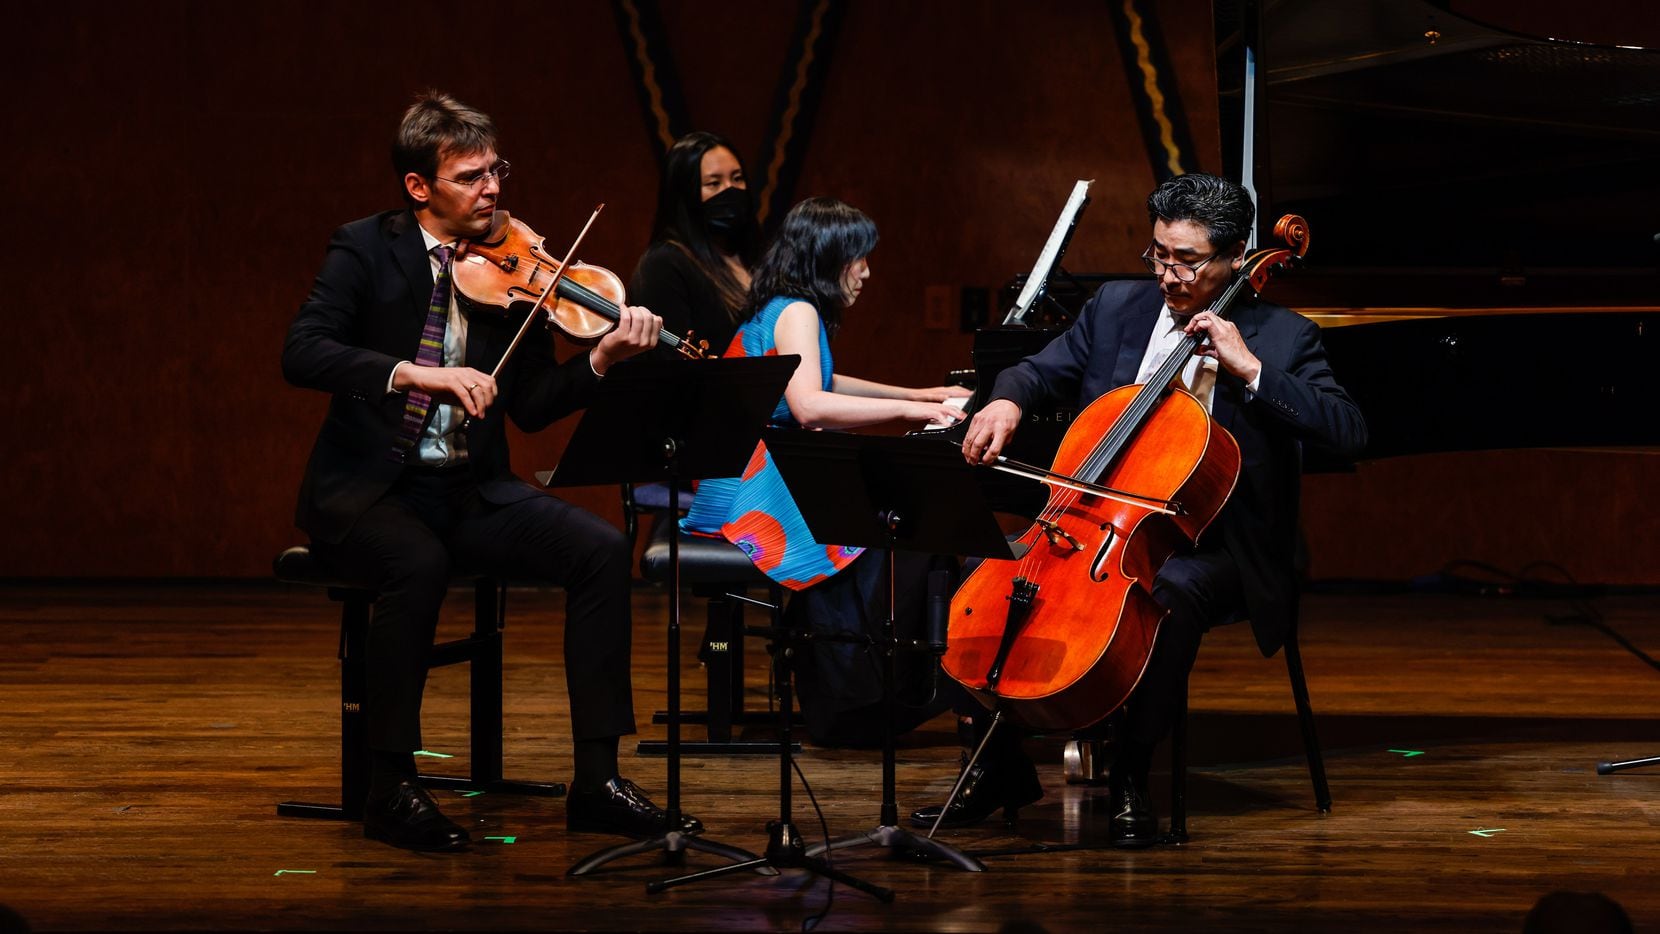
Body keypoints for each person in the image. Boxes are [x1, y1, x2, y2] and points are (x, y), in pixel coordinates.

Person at [282, 91, 698, 852]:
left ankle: (598, 780)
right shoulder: (363, 248)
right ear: (419, 188)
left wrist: (601, 361)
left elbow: (533, 404)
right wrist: (415, 373)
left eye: (495, 170)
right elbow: (302, 351)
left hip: (471, 488)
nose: (493, 189)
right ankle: (391, 787)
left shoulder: (518, 266)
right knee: (418, 561)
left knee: (600, 550)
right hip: (376, 492)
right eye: (471, 177)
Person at [910, 173, 1367, 847]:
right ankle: (1001, 766)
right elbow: (1037, 370)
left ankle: (1130, 772)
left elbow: (1348, 429)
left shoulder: (1283, 336)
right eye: (1159, 254)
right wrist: (1005, 400)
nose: (1169, 274)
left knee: (1167, 593)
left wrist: (1250, 372)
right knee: (961, 568)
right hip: (1092, 527)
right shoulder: (1116, 307)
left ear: (1237, 256)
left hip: (1220, 543)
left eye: (1188, 260)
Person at [679, 196, 964, 746]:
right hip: (751, 485)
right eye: (859, 258)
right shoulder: (798, 311)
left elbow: (827, 382)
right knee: (891, 522)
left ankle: (870, 680)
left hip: (741, 475)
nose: (866, 271)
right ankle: (868, 687)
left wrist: (921, 392)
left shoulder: (788, 307)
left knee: (882, 508)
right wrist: (919, 411)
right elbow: (810, 407)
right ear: (831, 257)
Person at [628, 131, 761, 358]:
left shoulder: (752, 253)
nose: (730, 190)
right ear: (685, 194)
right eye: (713, 183)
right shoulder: (663, 264)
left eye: (737, 179)